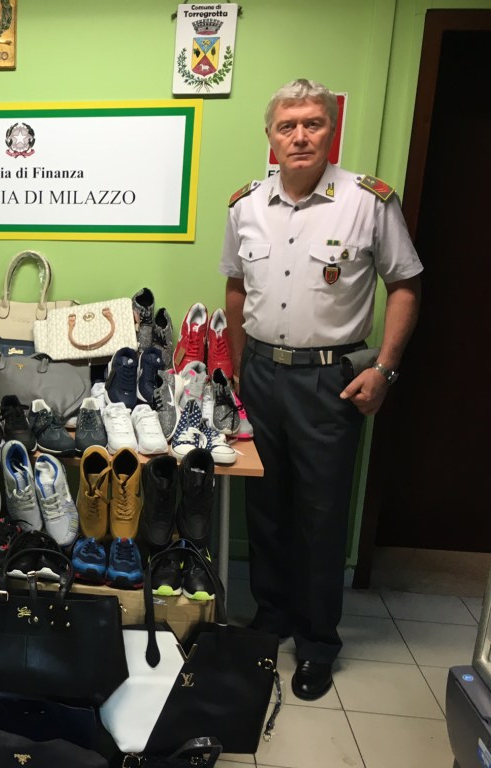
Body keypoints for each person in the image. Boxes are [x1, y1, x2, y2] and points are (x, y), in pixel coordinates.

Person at [220, 79, 422, 701]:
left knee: (320, 515)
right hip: (262, 374)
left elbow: (406, 285)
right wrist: (236, 368)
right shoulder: (246, 205)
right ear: (271, 136)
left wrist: (384, 370)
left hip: (329, 381)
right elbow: (235, 286)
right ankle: (273, 615)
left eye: (313, 123)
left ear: (331, 130)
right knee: (265, 506)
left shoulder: (367, 201)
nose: (300, 136)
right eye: (288, 126)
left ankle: (315, 643)